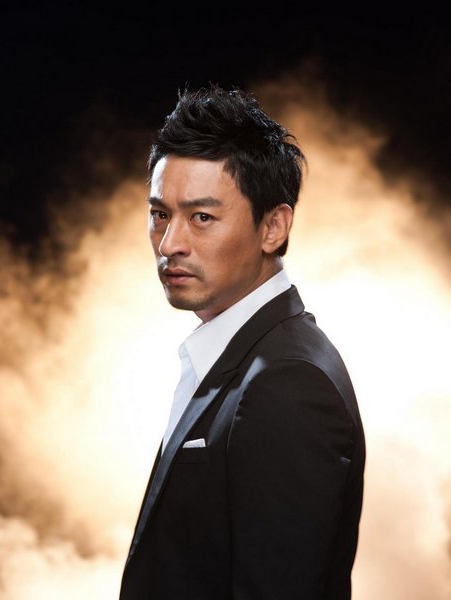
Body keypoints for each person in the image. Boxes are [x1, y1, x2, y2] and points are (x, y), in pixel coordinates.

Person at [119, 85, 366, 600]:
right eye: (160, 214)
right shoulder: (248, 354)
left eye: (202, 217)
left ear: (273, 226)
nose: (170, 244)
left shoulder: (288, 382)